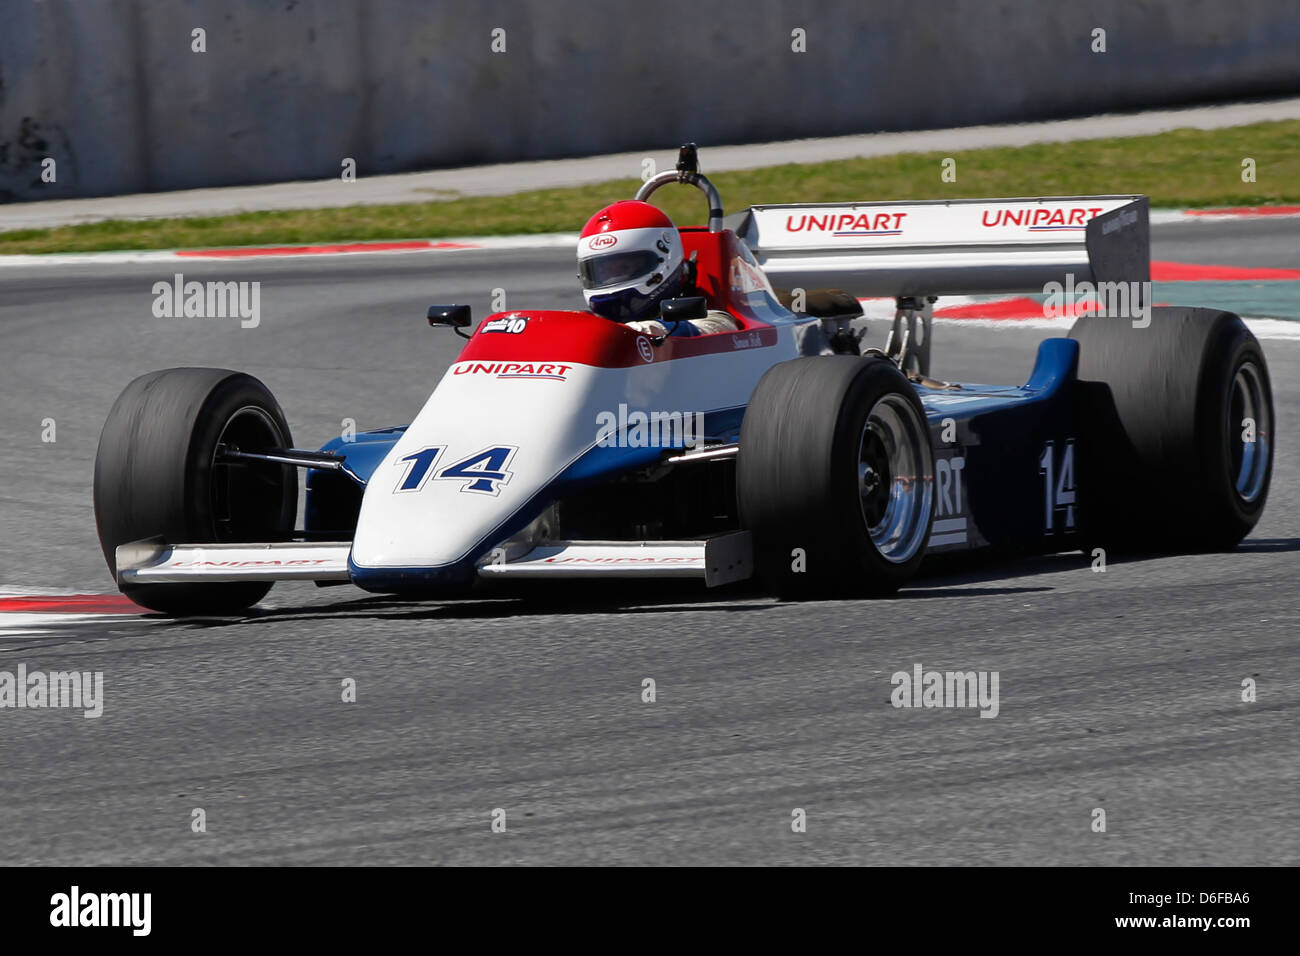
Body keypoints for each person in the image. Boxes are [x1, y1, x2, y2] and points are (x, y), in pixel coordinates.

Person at [576, 201, 737, 336]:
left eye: (624, 268)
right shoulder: (595, 329)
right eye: (603, 272)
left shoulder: (715, 323)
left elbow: (717, 328)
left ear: (665, 262)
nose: (611, 279)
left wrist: (642, 331)